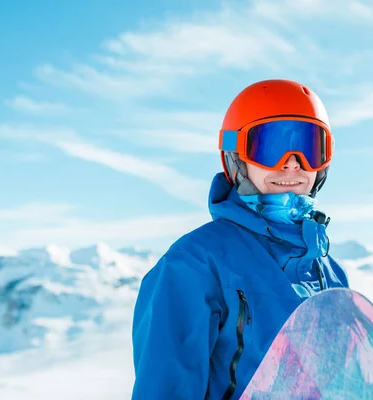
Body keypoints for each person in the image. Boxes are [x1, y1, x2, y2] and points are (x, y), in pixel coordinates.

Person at [131, 79, 349, 399]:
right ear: (236, 158)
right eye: (271, 146)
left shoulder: (328, 271)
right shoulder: (193, 265)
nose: (292, 162)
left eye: (308, 147)